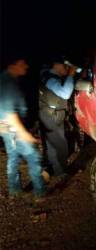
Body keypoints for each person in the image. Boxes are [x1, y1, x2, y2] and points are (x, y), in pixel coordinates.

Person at [0, 55, 46, 200]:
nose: (26, 66)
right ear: (12, 65)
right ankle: (39, 193)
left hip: (7, 129)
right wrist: (25, 135)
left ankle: (14, 189)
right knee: (33, 157)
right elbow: (10, 114)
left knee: (13, 158)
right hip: (15, 131)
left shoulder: (4, 79)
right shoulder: (8, 84)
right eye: (22, 63)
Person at [38, 56, 76, 178]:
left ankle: (56, 168)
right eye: (64, 65)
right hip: (50, 116)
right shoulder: (50, 80)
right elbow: (65, 94)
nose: (67, 68)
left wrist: (75, 72)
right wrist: (71, 74)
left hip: (52, 115)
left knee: (57, 144)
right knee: (56, 145)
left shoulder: (49, 76)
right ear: (56, 65)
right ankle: (60, 172)